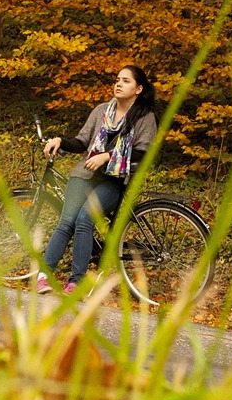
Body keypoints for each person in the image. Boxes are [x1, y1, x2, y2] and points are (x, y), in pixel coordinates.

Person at [37, 65, 159, 295]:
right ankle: (43, 277)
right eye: (117, 79)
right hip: (84, 175)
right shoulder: (102, 111)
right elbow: (82, 142)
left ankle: (76, 282)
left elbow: (143, 154)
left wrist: (107, 156)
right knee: (67, 221)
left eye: (126, 81)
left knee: (84, 219)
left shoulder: (145, 118)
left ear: (139, 89)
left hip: (113, 181)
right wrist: (60, 141)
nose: (119, 84)